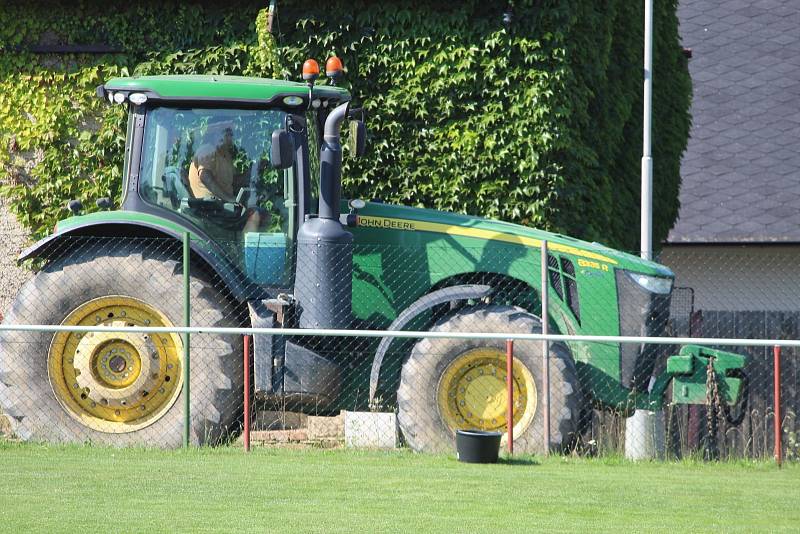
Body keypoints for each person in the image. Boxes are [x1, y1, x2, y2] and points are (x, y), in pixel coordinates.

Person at [188, 120, 262, 232]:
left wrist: (254, 170)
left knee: (255, 210)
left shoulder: (224, 155)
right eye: (229, 134)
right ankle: (246, 248)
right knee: (255, 214)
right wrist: (228, 198)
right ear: (218, 136)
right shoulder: (208, 150)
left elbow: (234, 181)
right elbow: (205, 177)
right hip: (209, 209)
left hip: (221, 207)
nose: (232, 138)